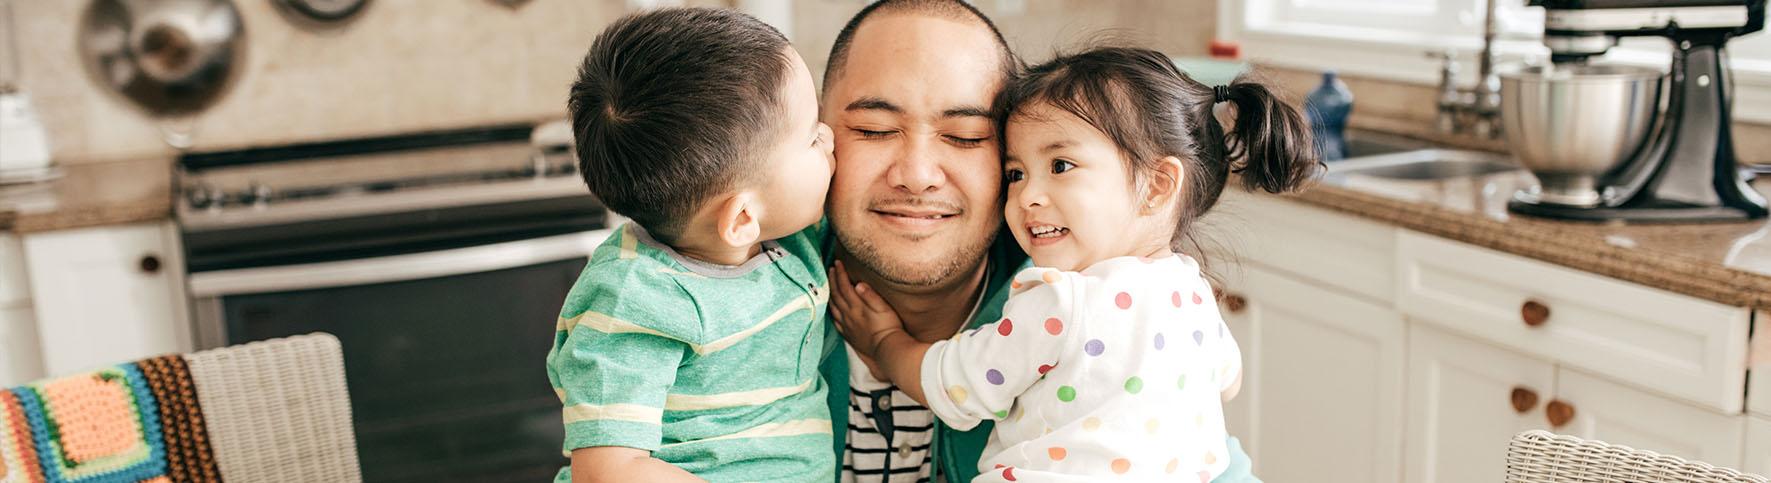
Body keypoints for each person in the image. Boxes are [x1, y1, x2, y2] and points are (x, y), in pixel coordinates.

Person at [814, 2, 1263, 482]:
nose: (918, 175)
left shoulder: (1060, 298)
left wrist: (887, 344)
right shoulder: (758, 310)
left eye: (966, 136)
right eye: (874, 130)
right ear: (816, 135)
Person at [544, 7, 837, 482]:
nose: (830, 136)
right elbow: (607, 470)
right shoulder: (635, 299)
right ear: (741, 219)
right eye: (811, 138)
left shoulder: (788, 240)